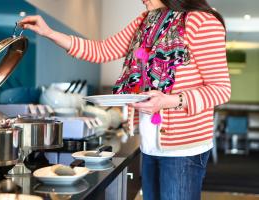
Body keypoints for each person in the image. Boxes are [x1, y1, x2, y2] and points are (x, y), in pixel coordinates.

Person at [20, 0, 231, 199]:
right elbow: (101, 50)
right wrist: (49, 33)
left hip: (184, 149)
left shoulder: (203, 22)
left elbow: (221, 89)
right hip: (149, 145)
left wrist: (169, 101)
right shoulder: (145, 21)